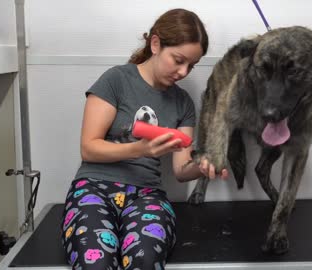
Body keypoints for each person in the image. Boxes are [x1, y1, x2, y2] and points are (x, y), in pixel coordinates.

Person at [61, 8, 228, 270]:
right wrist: (138, 149)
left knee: (145, 259)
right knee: (96, 262)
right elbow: (89, 149)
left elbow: (181, 171)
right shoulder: (116, 80)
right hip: (94, 188)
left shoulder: (182, 103)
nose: (184, 72)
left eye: (191, 65)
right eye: (178, 60)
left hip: (147, 195)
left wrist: (203, 166)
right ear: (155, 44)